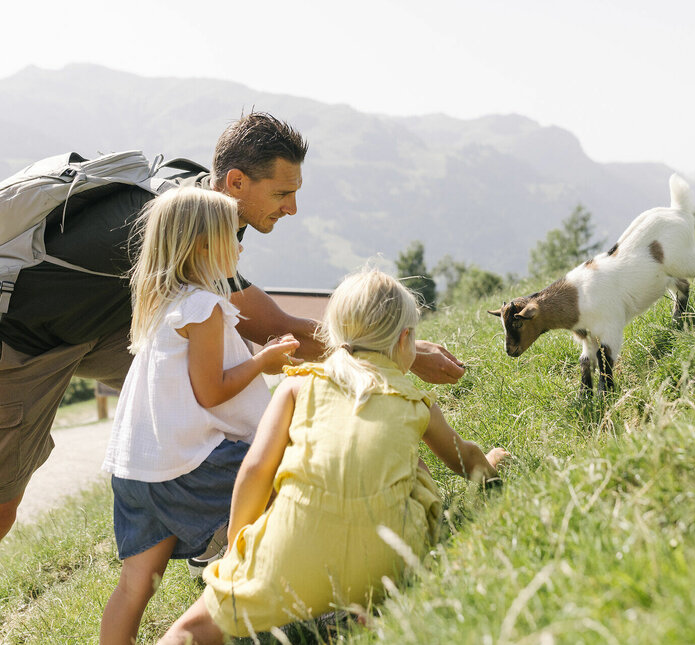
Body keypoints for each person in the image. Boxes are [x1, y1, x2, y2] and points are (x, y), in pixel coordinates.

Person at [0, 112, 465, 542]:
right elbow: (279, 332)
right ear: (236, 181)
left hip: (104, 324)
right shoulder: (183, 225)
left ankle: (216, 525)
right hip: (21, 339)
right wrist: (396, 350)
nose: (292, 209)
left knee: (228, 381)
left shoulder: (204, 198)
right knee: (4, 500)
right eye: (282, 193)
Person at [159, 269, 509, 644]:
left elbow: (256, 471)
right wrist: (492, 467)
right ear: (405, 340)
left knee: (188, 631)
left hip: (289, 555)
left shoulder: (297, 385)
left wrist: (237, 547)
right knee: (411, 467)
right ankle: (371, 606)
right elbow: (464, 458)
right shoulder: (413, 399)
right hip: (386, 561)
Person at [98, 186, 301, 645]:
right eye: (233, 236)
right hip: (188, 467)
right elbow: (211, 393)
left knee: (136, 583)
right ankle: (261, 617)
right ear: (202, 246)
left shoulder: (161, 305)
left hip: (138, 470)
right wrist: (264, 362)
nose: (242, 246)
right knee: (276, 502)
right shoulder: (203, 307)